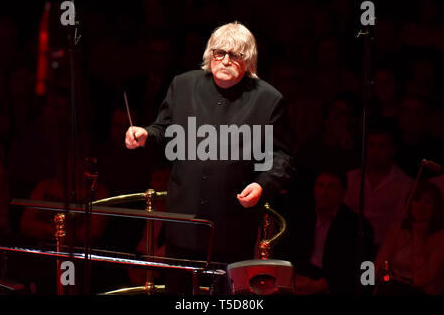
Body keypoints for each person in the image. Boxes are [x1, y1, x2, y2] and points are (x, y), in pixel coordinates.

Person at [124, 22, 294, 293]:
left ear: (248, 60)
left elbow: (280, 157)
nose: (225, 61)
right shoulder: (183, 84)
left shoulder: (268, 99)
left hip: (231, 226)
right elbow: (164, 128)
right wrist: (144, 133)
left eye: (235, 55)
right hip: (182, 220)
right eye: (219, 53)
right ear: (209, 54)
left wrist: (262, 185)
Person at [278, 170, 373, 295]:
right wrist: (292, 277)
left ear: (343, 192)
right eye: (320, 186)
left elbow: (356, 268)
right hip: (301, 278)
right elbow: (288, 251)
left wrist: (323, 284)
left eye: (331, 187)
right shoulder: (301, 215)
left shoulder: (356, 224)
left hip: (334, 284)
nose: (324, 192)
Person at [344, 119, 413, 251]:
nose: (376, 152)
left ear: (393, 150)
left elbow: (399, 225)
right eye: (371, 145)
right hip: (349, 245)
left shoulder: (405, 184)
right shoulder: (351, 178)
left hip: (384, 249)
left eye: (382, 146)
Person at [375, 181, 444, 294]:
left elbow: (421, 280)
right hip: (393, 287)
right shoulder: (399, 228)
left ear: (436, 207)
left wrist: (418, 236)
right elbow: (381, 263)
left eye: (427, 202)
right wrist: (384, 277)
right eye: (416, 200)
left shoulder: (440, 238)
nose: (420, 206)